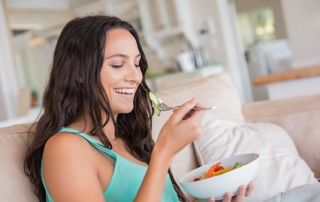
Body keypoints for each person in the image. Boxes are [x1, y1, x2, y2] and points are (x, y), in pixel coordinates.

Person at [24, 15, 253, 202]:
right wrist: (164, 153)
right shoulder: (65, 148)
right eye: (117, 64)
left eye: (136, 64)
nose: (135, 76)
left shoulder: (128, 141)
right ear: (80, 74)